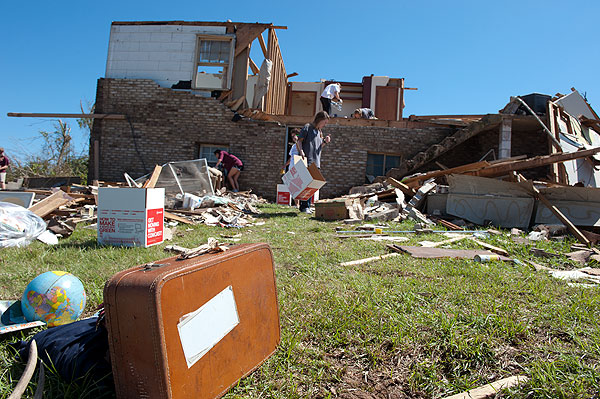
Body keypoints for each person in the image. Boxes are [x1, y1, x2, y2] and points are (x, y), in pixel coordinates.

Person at [296, 111, 331, 213]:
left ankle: (307, 206)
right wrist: (301, 151)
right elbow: (299, 140)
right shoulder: (308, 127)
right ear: (319, 120)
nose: (325, 125)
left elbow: (319, 147)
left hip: (316, 161)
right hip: (307, 160)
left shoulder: (319, 132)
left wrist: (325, 141)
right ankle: (304, 207)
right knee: (306, 184)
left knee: (312, 185)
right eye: (324, 122)